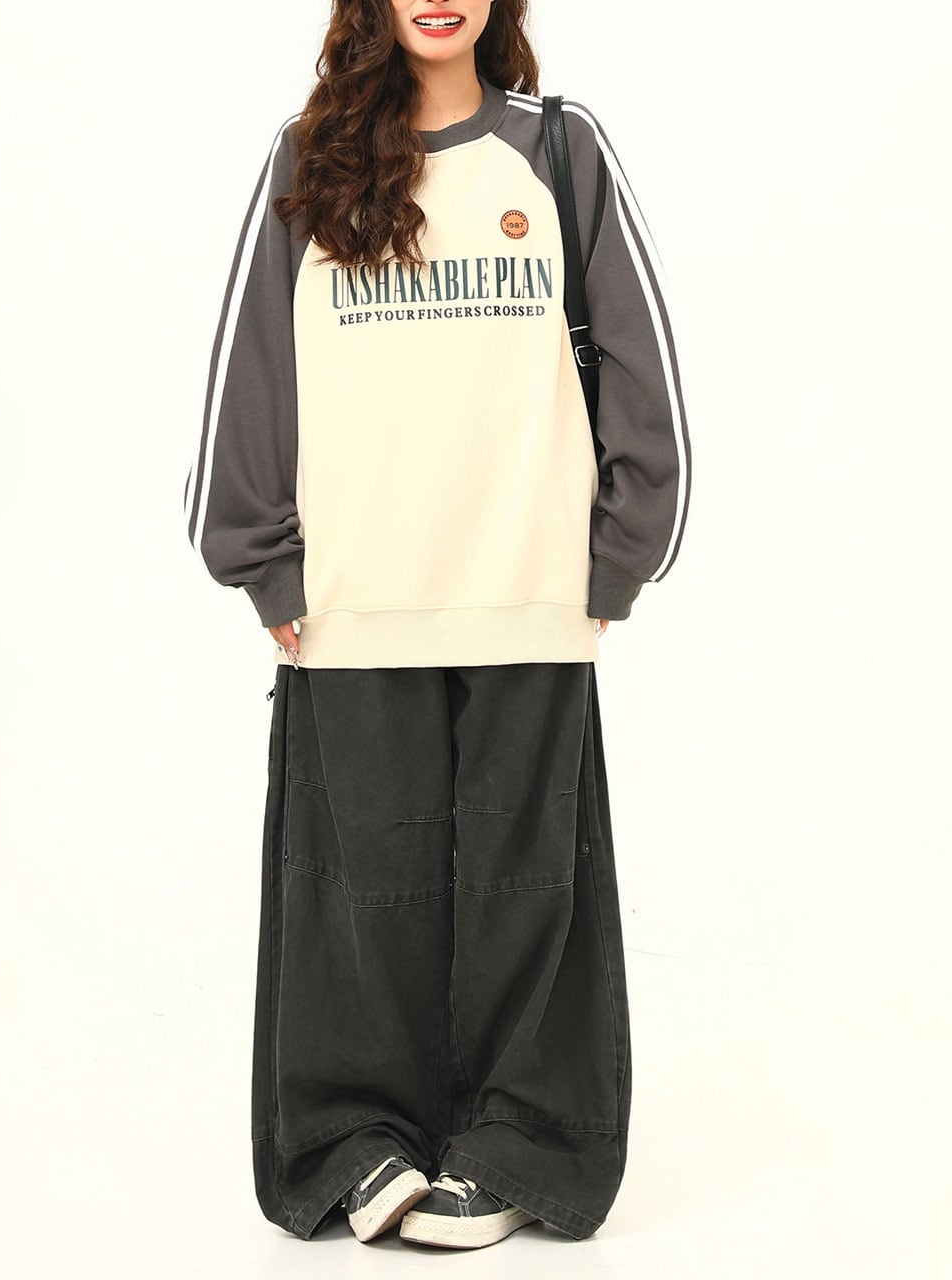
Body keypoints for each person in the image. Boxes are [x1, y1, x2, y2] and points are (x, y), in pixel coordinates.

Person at [183, 0, 691, 1251]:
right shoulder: (306, 160)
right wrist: (265, 564)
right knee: (362, 897)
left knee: (528, 893)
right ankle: (354, 1137)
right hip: (356, 600)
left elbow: (640, 363)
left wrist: (615, 559)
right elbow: (251, 372)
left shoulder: (557, 149)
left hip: (526, 590)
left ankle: (515, 1145)